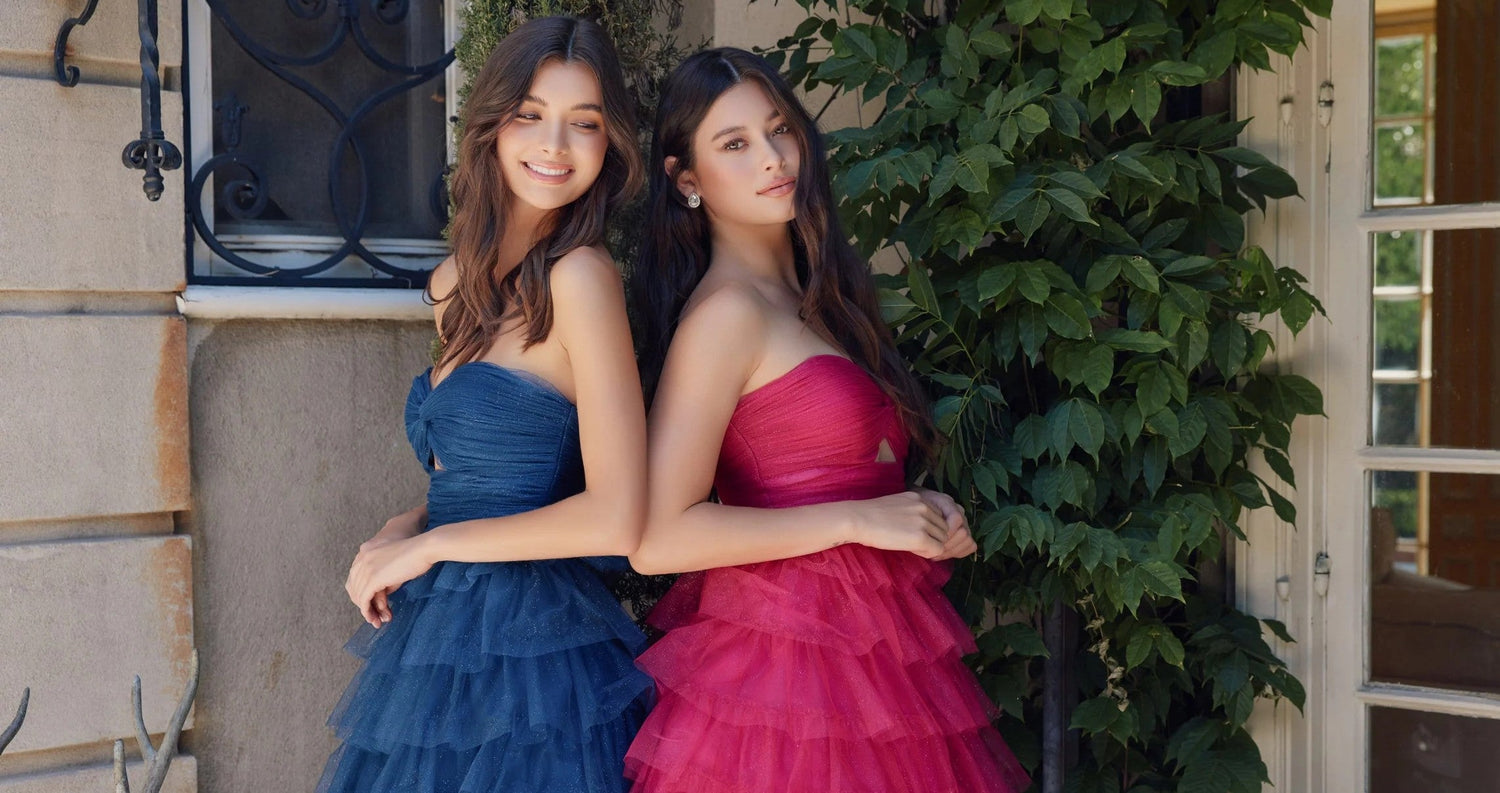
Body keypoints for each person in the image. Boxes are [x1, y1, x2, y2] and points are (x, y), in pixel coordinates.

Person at [623, 48, 1031, 793]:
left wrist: (920, 512)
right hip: (783, 674)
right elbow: (658, 538)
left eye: (780, 130)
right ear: (687, 180)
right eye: (735, 144)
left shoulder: (820, 296)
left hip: (877, 657)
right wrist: (857, 520)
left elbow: (845, 469)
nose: (774, 158)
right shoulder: (725, 316)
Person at [317, 16, 652, 793]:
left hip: (537, 657)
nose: (555, 146)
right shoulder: (452, 286)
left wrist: (430, 547)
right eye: (531, 115)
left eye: (586, 124)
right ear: (493, 126)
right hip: (435, 642)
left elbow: (618, 516)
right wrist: (404, 528)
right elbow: (470, 477)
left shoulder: (582, 278)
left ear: (611, 147)